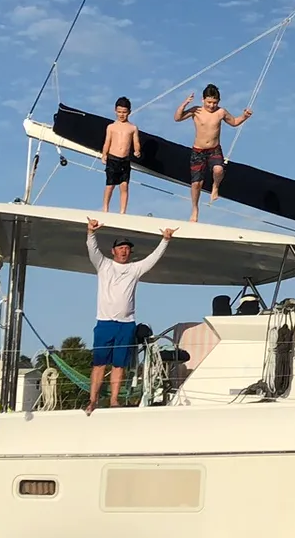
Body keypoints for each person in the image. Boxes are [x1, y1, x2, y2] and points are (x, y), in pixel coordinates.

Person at [85, 217, 175, 413]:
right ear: (114, 250)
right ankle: (93, 400)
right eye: (120, 247)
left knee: (119, 365)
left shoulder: (135, 269)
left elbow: (153, 258)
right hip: (105, 322)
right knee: (99, 363)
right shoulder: (103, 265)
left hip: (126, 324)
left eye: (127, 248)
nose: (124, 251)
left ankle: (114, 400)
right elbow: (92, 250)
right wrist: (91, 232)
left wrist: (165, 240)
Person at [173, 84, 252, 222]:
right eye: (209, 102)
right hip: (198, 150)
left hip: (214, 149)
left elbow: (234, 122)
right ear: (203, 100)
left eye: (214, 103)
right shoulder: (196, 110)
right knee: (196, 183)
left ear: (218, 102)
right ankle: (195, 208)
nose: (211, 105)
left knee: (218, 169)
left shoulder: (221, 112)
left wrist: (244, 116)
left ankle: (215, 186)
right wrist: (184, 104)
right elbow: (177, 118)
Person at [102, 96, 142, 214]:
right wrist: (104, 154)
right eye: (119, 112)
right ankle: (105, 208)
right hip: (112, 158)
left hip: (125, 160)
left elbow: (136, 143)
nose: (121, 114)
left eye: (124, 112)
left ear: (129, 112)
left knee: (124, 185)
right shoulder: (111, 127)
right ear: (115, 111)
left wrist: (137, 151)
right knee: (110, 185)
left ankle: (123, 211)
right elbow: (107, 142)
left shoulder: (132, 128)